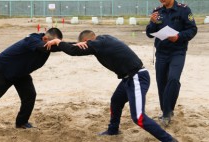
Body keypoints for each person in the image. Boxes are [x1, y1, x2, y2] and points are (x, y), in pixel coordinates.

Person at [45, 30, 178, 142]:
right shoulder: (103, 41)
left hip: (137, 77)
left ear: (87, 41)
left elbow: (74, 50)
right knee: (116, 101)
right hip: (128, 79)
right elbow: (75, 46)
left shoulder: (100, 43)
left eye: (85, 44)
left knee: (138, 117)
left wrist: (58, 42)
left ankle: (169, 140)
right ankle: (113, 130)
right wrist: (58, 45)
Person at [0, 28, 63, 131]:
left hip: (21, 73)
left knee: (29, 96)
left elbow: (63, 47)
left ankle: (21, 122)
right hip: (4, 69)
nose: (55, 47)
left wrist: (78, 45)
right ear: (45, 38)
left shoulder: (47, 45)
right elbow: (42, 47)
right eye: (54, 44)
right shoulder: (32, 39)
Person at [146, 0, 198, 126]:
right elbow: (150, 34)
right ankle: (166, 112)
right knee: (161, 83)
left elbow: (192, 29)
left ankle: (168, 111)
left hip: (177, 52)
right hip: (161, 53)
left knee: (173, 79)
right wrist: (152, 23)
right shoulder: (157, 12)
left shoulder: (183, 10)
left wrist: (179, 36)